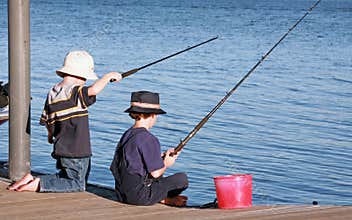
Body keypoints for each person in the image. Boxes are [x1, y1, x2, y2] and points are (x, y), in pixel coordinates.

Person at [8, 50, 122, 192]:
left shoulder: (53, 92)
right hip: (77, 150)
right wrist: (108, 76)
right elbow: (93, 90)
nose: (85, 81)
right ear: (80, 75)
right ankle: (37, 184)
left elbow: (48, 120)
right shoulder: (74, 93)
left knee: (65, 176)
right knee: (78, 184)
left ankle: (31, 179)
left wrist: (51, 136)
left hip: (61, 147)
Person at [110, 91, 188, 206]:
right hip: (140, 197)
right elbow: (156, 173)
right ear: (153, 115)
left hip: (121, 194)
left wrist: (160, 157)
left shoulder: (128, 134)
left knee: (159, 173)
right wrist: (166, 163)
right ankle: (163, 199)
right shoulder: (148, 138)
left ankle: (161, 198)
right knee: (182, 179)